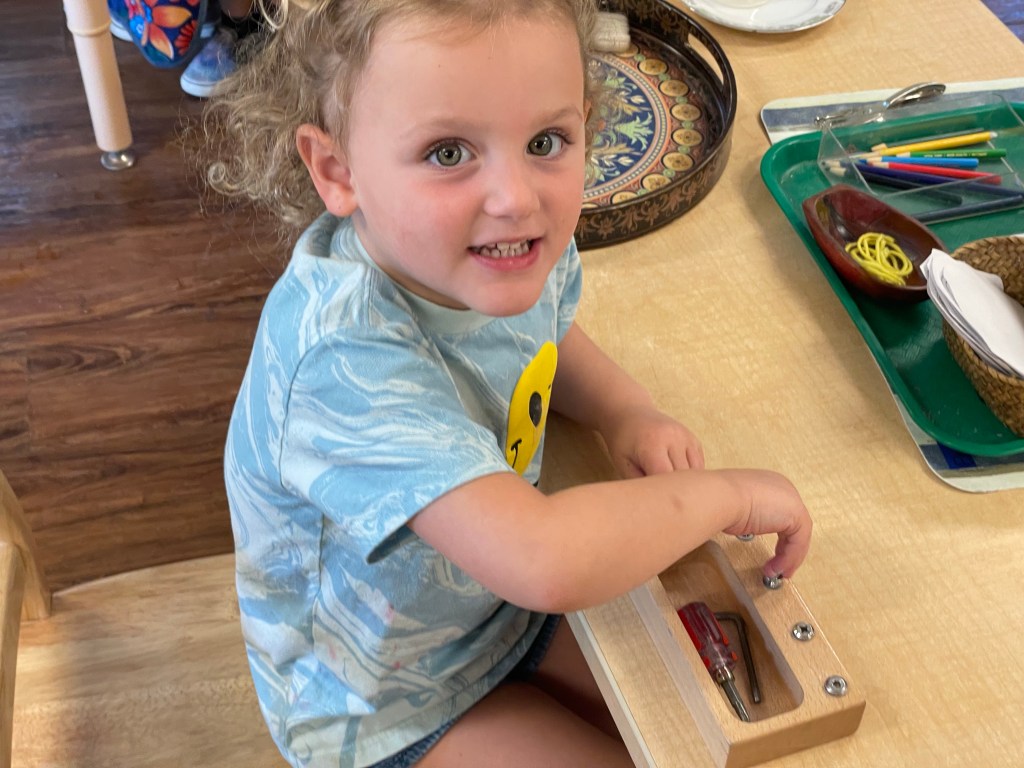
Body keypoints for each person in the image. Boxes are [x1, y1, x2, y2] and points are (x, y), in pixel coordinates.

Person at [205, 1, 813, 766]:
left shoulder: (499, 248)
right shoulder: (340, 360)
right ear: (337, 170)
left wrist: (623, 410)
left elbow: (545, 333)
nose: (517, 197)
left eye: (545, 142)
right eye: (448, 152)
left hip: (494, 614)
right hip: (383, 706)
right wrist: (731, 498)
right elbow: (544, 558)